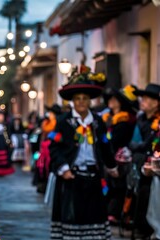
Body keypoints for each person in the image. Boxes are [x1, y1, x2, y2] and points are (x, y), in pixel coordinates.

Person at [49, 67, 118, 239]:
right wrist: (63, 169)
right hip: (71, 178)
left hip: (94, 177)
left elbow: (104, 145)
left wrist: (112, 166)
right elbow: (54, 148)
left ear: (90, 101)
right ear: (72, 101)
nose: (81, 102)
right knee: (72, 218)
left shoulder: (97, 122)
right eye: (77, 99)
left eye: (85, 99)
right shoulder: (63, 122)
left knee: (93, 218)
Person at [101, 85, 138, 225]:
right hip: (107, 155)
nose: (111, 101)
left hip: (120, 158)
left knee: (118, 186)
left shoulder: (125, 119)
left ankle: (115, 213)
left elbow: (118, 139)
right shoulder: (106, 118)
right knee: (107, 185)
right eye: (110, 99)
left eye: (114, 99)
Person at [129, 84, 160, 238]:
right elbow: (134, 142)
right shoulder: (140, 118)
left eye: (147, 99)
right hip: (140, 163)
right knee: (138, 195)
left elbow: (151, 145)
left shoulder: (158, 121)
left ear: (155, 103)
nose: (143, 101)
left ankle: (148, 229)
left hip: (154, 165)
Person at [34, 104, 62, 194]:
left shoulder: (57, 123)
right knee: (42, 168)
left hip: (51, 150)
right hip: (44, 150)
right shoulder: (46, 122)